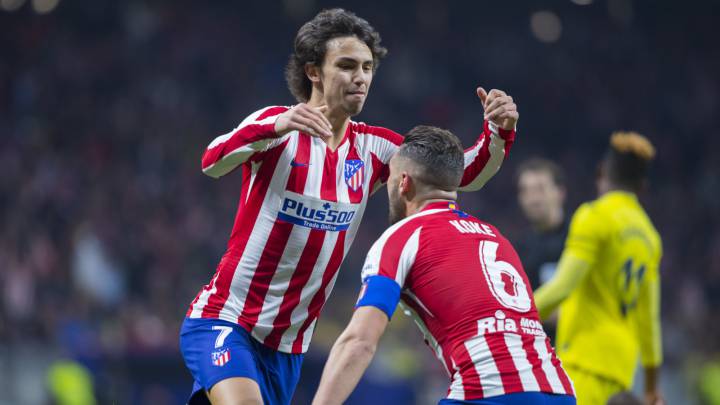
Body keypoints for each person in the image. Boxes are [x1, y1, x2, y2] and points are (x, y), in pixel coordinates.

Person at [179, 8, 520, 405]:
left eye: (367, 67)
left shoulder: (376, 147)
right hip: (226, 320)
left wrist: (498, 133)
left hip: (288, 348)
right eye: (346, 66)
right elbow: (212, 160)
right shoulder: (278, 125)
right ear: (313, 72)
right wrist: (276, 125)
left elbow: (454, 175)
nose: (361, 77)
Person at [312, 126, 574, 405]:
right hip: (560, 390)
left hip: (488, 392)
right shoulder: (496, 237)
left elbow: (359, 342)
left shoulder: (401, 238)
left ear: (403, 182)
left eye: (389, 178)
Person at [534, 132, 663, 405]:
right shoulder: (650, 237)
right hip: (621, 375)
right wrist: (652, 388)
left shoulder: (594, 216)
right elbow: (648, 320)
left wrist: (509, 315)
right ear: (642, 187)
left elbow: (562, 287)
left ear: (602, 173)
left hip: (583, 365)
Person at [515, 158, 568, 290]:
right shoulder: (518, 251)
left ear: (560, 193)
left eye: (540, 189)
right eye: (525, 191)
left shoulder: (581, 236)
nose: (533, 199)